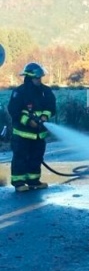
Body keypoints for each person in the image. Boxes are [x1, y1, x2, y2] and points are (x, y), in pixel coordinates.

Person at [7, 62, 57, 192]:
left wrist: (45, 117)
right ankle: (19, 183)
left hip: (39, 134)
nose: (39, 80)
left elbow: (51, 107)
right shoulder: (19, 92)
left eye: (40, 78)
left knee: (36, 157)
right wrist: (29, 121)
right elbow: (14, 110)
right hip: (22, 134)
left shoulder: (45, 91)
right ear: (29, 77)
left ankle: (34, 181)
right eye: (36, 78)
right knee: (20, 157)